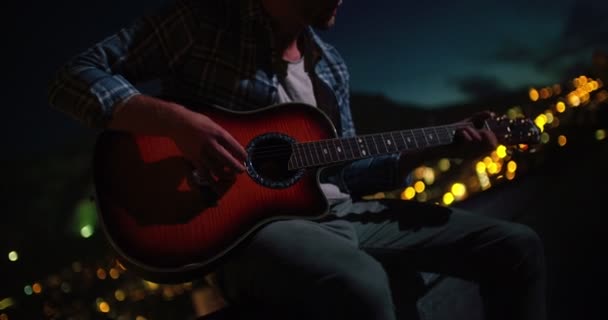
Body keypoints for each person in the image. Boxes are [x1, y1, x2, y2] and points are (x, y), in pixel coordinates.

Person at [47, 0, 546, 319]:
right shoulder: (203, 24)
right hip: (250, 232)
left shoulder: (331, 68)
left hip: (339, 214)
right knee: (362, 286)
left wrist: (435, 146)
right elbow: (74, 77)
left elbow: (344, 174)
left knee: (515, 244)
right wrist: (180, 124)